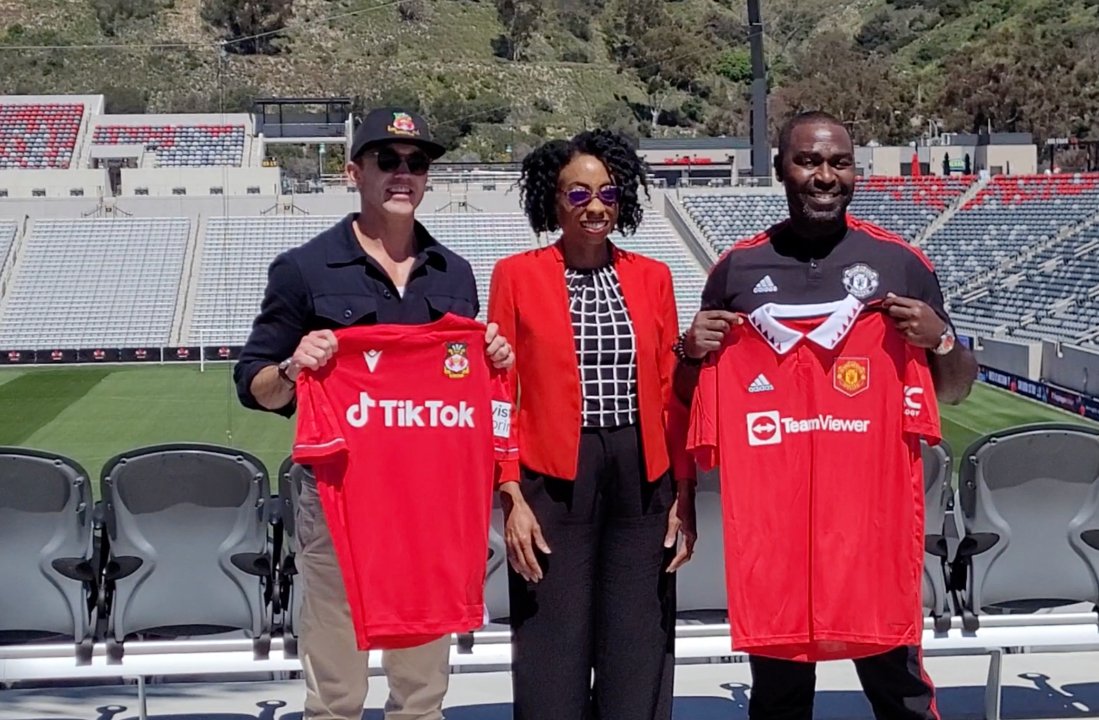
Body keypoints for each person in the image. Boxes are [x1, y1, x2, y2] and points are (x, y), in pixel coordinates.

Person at [675, 110, 978, 720]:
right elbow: (690, 397)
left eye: (838, 162)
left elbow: (954, 392)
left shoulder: (900, 266)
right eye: (808, 161)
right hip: (779, 535)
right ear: (781, 168)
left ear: (855, 171)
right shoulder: (736, 270)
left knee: (901, 690)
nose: (824, 176)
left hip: (872, 528)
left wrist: (939, 339)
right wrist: (691, 351)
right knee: (780, 696)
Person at [233, 107, 514, 720]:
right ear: (353, 171)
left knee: (421, 689)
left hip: (428, 500)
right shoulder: (303, 269)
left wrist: (493, 356)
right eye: (387, 160)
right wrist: (292, 368)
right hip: (338, 496)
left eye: (417, 164)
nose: (403, 174)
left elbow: (469, 386)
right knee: (337, 689)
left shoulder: (456, 273)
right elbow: (251, 385)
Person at [486, 128, 697, 720]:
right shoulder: (516, 275)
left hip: (641, 472)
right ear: (552, 201)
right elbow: (499, 391)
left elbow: (665, 391)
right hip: (552, 475)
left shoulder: (653, 277)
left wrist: (682, 488)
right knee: (552, 640)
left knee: (638, 641)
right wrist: (509, 491)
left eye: (607, 193)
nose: (595, 206)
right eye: (577, 195)